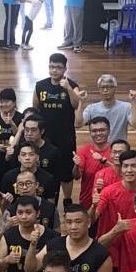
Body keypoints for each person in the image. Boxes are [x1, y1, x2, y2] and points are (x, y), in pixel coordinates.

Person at [32, 53, 82, 200]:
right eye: (52, 67)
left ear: (65, 69)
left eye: (58, 67)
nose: (55, 70)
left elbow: (77, 104)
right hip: (46, 136)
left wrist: (68, 89)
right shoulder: (40, 85)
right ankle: (48, 197)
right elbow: (35, 109)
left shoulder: (72, 85)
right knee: (46, 168)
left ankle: (67, 199)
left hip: (66, 136)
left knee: (66, 171)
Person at [0, 88, 22, 191]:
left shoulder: (21, 117)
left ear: (14, 102)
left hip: (15, 156)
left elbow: (20, 135)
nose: (3, 104)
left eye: (6, 101)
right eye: (1, 102)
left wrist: (11, 123)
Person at [1, 141, 59, 206]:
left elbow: (51, 206)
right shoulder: (8, 177)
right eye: (23, 154)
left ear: (37, 157)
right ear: (18, 158)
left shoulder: (48, 178)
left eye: (31, 154)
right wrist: (5, 202)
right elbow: (4, 209)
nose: (27, 158)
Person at [73, 117, 112, 210]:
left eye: (102, 130)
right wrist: (76, 165)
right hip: (88, 202)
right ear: (90, 133)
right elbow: (76, 176)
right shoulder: (83, 151)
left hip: (111, 202)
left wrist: (103, 161)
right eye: (94, 131)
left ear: (109, 131)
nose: (98, 133)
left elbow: (121, 172)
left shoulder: (116, 151)